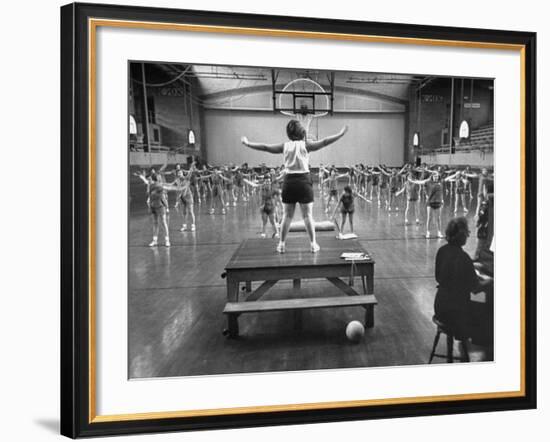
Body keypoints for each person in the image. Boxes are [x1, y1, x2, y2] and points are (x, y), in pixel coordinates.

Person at [242, 119, 348, 253]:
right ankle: (313, 244)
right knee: (307, 216)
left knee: (287, 216)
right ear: (301, 132)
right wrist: (340, 134)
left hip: (289, 181)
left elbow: (265, 147)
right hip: (303, 181)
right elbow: (325, 142)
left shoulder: (285, 146)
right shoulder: (306, 145)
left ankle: (281, 244)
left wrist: (248, 143)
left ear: (289, 134)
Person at [434, 217, 492, 349]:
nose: (468, 235)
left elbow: (439, 277)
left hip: (440, 305)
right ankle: (486, 349)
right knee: (486, 310)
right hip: (454, 313)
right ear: (461, 235)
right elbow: (475, 288)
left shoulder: (442, 251)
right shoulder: (463, 257)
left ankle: (470, 342)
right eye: (467, 232)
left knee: (477, 307)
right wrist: (489, 281)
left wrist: (471, 267)